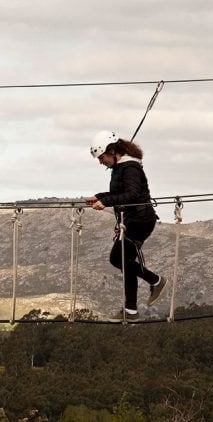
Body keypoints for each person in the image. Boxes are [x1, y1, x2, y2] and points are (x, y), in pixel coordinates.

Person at [84, 130, 166, 322]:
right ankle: (131, 311)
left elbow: (132, 195)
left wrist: (106, 203)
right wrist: (100, 196)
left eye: (102, 157)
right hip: (133, 220)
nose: (101, 161)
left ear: (112, 150)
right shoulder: (121, 167)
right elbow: (122, 192)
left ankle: (156, 280)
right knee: (125, 263)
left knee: (117, 258)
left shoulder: (130, 167)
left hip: (140, 220)